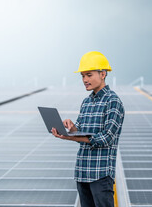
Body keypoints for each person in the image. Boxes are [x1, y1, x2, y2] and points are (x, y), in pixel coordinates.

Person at [51, 51, 125, 207]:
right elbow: (81, 133)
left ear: (103, 74)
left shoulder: (113, 101)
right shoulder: (86, 102)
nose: (85, 80)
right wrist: (71, 129)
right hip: (82, 172)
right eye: (82, 76)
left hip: (101, 174)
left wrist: (71, 137)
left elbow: (106, 138)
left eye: (89, 75)